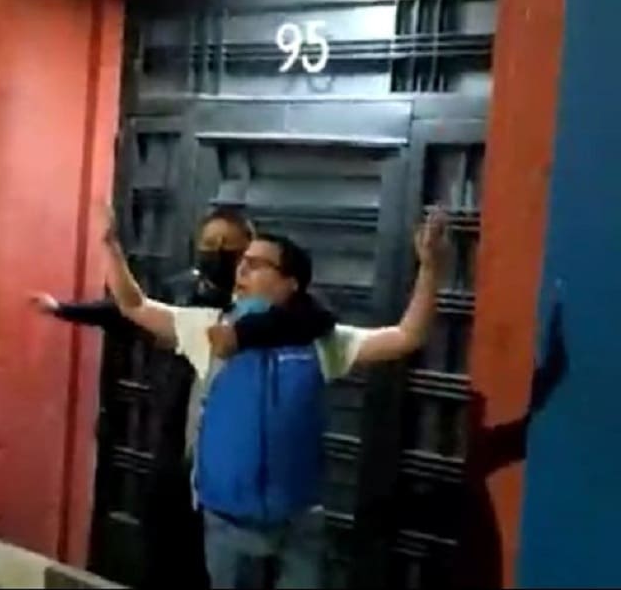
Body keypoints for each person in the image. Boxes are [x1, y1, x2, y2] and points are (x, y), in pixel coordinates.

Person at [100, 202, 446, 589]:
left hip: (298, 524)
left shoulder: (321, 343)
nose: (241, 269)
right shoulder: (211, 328)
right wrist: (111, 246)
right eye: (243, 262)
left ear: (290, 283)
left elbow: (407, 335)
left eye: (257, 264)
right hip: (228, 523)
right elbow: (134, 305)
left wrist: (430, 268)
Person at [30, 206, 336, 587]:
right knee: (164, 551)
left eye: (229, 245)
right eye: (209, 243)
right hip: (178, 442)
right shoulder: (184, 293)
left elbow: (320, 316)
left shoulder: (281, 312)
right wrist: (64, 308)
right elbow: (129, 308)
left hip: (244, 480)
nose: (218, 253)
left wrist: (244, 333)